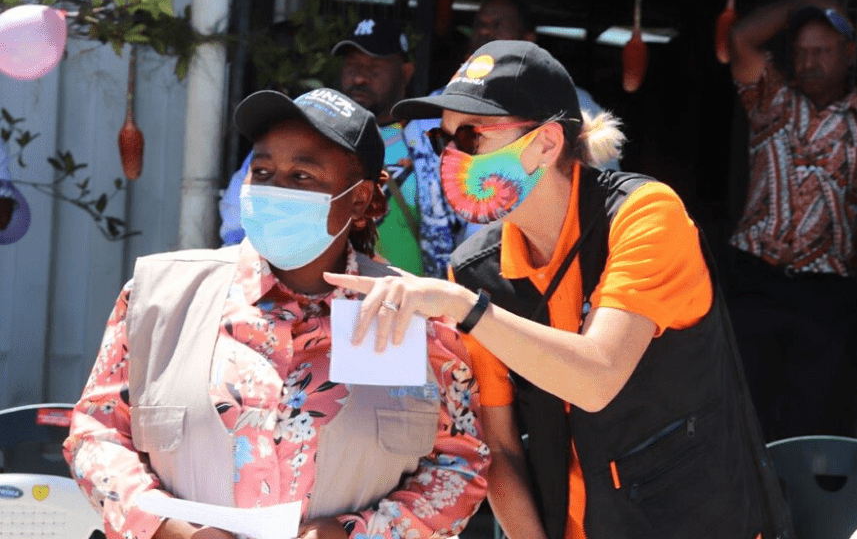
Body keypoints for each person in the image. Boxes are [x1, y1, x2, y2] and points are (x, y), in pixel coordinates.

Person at [325, 40, 792, 539]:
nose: (451, 157)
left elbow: (596, 377)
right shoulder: (476, 270)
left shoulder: (644, 216)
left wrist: (467, 309)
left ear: (546, 144)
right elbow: (499, 449)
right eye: (444, 140)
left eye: (471, 136)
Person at [63, 88, 488, 539]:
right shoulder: (160, 299)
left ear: (360, 201)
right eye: (262, 172)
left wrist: (360, 534)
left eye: (301, 176)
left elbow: (460, 460)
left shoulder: (414, 319)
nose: (274, 190)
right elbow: (98, 432)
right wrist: (168, 529)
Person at [724, 0, 857, 440]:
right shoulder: (772, 99)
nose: (808, 63)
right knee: (743, 407)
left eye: (822, 51)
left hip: (826, 293)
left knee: (816, 413)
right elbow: (740, 38)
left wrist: (856, 291)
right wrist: (804, 2)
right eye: (801, 52)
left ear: (849, 54)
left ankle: (805, 507)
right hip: (755, 281)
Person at [332, 17, 466, 278]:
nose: (359, 76)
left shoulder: (436, 141)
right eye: (352, 64)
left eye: (374, 66)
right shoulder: (316, 136)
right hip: (334, 303)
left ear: (405, 72)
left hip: (417, 307)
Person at [461, 0, 619, 171]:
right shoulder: (446, 101)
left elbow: (604, 183)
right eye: (479, 25)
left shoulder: (574, 104)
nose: (484, 32)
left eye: (498, 25)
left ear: (528, 40)